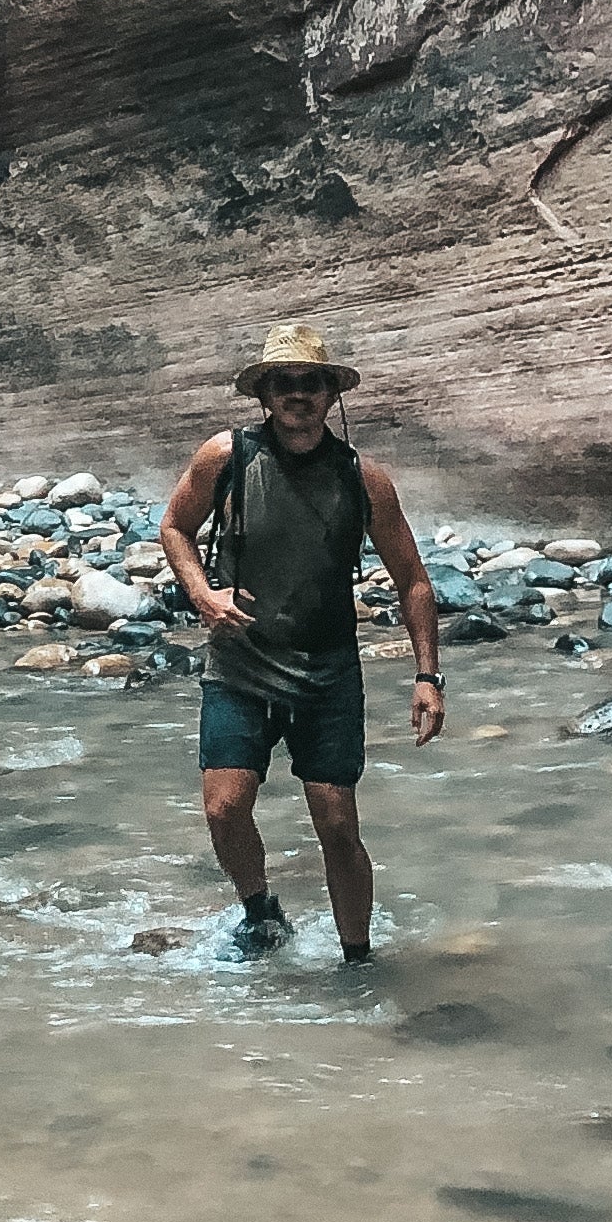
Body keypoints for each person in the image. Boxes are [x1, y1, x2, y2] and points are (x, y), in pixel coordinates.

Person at [158, 321, 442, 961]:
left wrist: (427, 677)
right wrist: (203, 595)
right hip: (240, 666)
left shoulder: (363, 478)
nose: (297, 395)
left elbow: (415, 581)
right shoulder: (225, 457)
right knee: (224, 810)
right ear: (264, 393)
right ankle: (260, 909)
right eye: (283, 384)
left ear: (329, 393)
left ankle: (357, 963)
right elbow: (175, 527)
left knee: (338, 825)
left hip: (327, 676)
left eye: (309, 383)